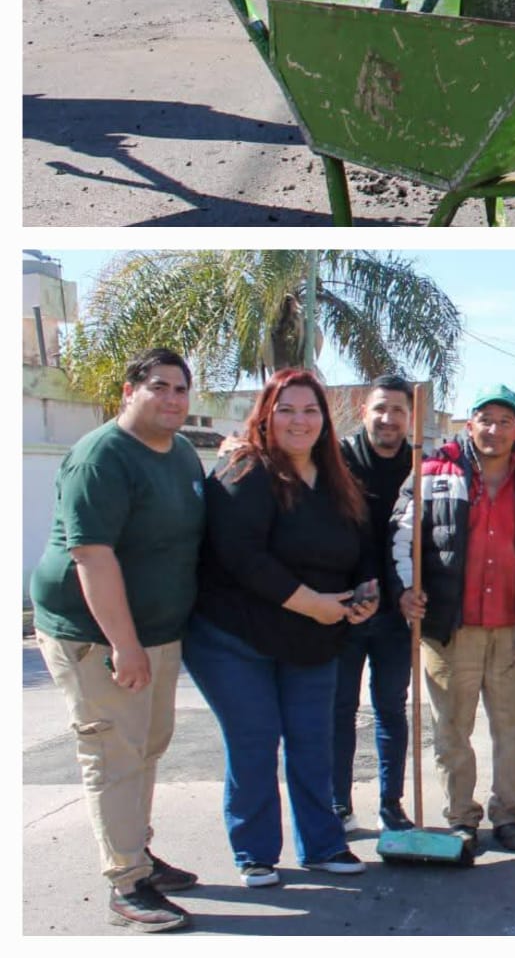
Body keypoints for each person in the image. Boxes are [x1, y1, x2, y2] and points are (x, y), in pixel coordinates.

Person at [30, 348, 207, 932]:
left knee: (148, 745)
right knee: (112, 751)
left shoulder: (180, 452)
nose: (173, 399)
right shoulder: (101, 455)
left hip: (157, 631)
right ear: (130, 390)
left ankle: (138, 853)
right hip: (95, 635)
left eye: (181, 389)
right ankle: (126, 884)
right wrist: (124, 646)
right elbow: (92, 556)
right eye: (160, 386)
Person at [183, 371, 375, 889]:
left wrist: (364, 595)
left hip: (312, 641)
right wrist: (311, 603)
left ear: (325, 420)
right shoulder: (245, 470)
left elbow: (360, 549)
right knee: (256, 741)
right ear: (266, 414)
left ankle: (323, 845)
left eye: (310, 410)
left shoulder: (337, 477)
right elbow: (243, 557)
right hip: (235, 638)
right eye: (286, 409)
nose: (299, 420)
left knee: (313, 743)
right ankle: (255, 852)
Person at [392, 385, 515, 853]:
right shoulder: (432, 470)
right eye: (486, 419)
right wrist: (407, 589)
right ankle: (461, 817)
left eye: (506, 421)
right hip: (451, 629)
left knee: (511, 730)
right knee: (452, 730)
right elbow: (402, 535)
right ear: (470, 424)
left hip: (511, 631)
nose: (495, 429)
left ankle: (508, 816)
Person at [331, 375, 417, 835]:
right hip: (345, 609)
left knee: (391, 709)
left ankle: (391, 804)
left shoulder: (419, 464)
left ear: (410, 416)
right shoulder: (338, 460)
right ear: (364, 411)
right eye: (380, 409)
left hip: (396, 614)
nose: (388, 419)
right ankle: (338, 804)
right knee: (340, 709)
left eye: (398, 411)